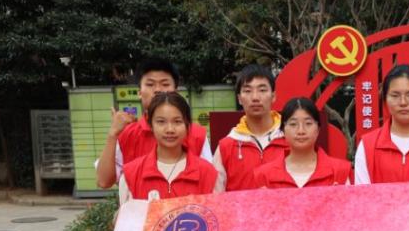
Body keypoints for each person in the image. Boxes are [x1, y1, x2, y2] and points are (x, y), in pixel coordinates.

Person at [96, 58, 211, 189]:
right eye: (150, 84)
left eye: (165, 84)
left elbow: (209, 183)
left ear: (176, 91)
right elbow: (104, 182)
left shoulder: (197, 134)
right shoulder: (126, 134)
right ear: (139, 92)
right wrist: (112, 134)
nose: (157, 90)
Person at [119, 92, 222, 204]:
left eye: (177, 121)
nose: (170, 129)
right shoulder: (131, 174)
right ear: (151, 125)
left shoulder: (208, 174)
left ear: (188, 125)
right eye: (161, 122)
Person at [214, 64, 288, 191]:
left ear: (273, 96)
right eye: (248, 91)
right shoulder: (226, 147)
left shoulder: (290, 139)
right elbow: (215, 196)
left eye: (262, 90)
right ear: (239, 99)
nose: (255, 98)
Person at [253, 98, 353, 188]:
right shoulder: (263, 176)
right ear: (283, 130)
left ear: (318, 129)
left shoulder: (340, 172)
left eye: (308, 123)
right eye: (293, 124)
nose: (301, 131)